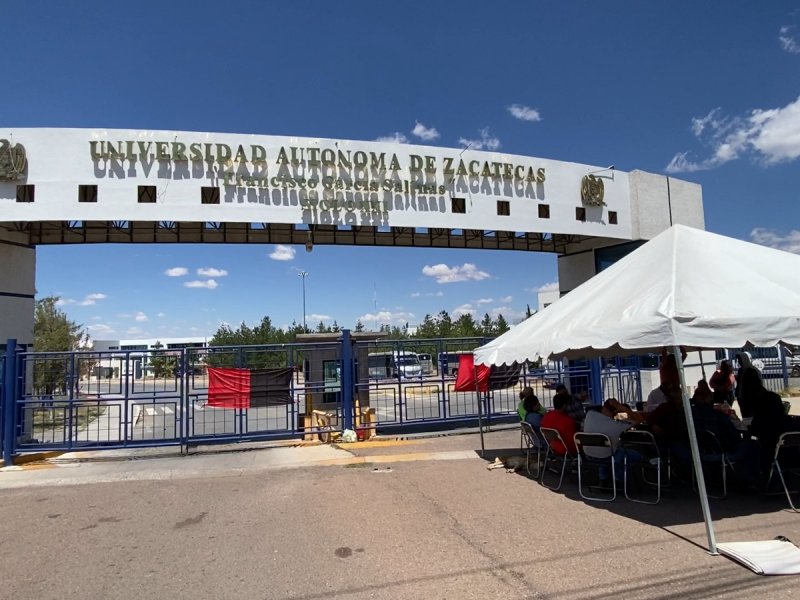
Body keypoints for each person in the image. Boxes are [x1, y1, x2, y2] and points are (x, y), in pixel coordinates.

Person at [679, 380, 761, 485]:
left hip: (697, 451)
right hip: (721, 451)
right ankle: (746, 479)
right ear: (709, 398)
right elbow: (734, 436)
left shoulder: (686, 416)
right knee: (753, 445)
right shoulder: (719, 416)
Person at [582, 398, 645, 481]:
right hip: (608, 456)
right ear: (616, 411)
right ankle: (619, 479)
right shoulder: (617, 425)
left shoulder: (590, 415)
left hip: (589, 454)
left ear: (603, 407)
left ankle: (603, 477)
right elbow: (639, 419)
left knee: (607, 449)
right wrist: (623, 408)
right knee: (634, 455)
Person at [749, 387, 800, 478]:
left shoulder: (760, 420)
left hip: (770, 455)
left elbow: (752, 432)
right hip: (794, 456)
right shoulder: (789, 421)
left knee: (752, 446)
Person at [735, 352, 762, 418]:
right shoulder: (740, 371)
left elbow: (758, 384)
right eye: (738, 361)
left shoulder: (753, 371)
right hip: (741, 397)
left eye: (740, 360)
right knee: (744, 415)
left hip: (750, 398)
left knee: (751, 416)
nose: (739, 362)